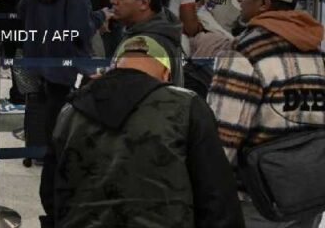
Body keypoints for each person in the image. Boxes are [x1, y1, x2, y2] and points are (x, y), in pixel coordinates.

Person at [44, 34, 243, 228]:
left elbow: (50, 193)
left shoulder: (71, 111)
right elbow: (217, 197)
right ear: (166, 74)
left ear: (114, 67)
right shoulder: (187, 106)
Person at [207, 0, 325, 228]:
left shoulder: (243, 53)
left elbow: (224, 135)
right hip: (310, 191)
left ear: (264, 3)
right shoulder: (315, 52)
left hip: (258, 200)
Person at [18, 0, 104, 172]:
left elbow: (22, 10)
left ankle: (41, 151)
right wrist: (100, 17)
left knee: (43, 107)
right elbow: (80, 30)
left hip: (41, 59)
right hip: (67, 63)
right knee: (63, 111)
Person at [110, 0, 184, 84]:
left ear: (144, 3)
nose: (113, 0)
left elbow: (132, 96)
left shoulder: (145, 45)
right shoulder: (161, 29)